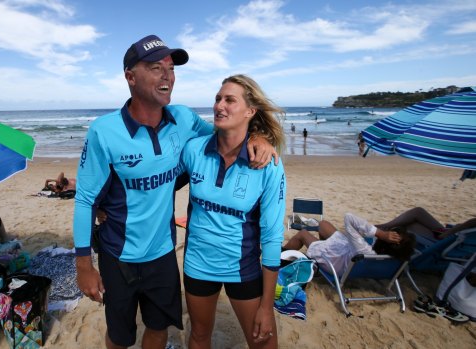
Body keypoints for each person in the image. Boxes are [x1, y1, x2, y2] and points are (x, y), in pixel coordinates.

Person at [72, 35, 277, 349]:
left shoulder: (183, 118)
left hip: (165, 254)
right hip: (118, 255)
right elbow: (86, 200)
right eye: (156, 68)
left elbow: (229, 134)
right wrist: (84, 267)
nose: (167, 75)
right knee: (119, 336)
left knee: (159, 329)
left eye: (170, 68)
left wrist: (260, 138)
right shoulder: (104, 130)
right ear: (130, 76)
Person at [180, 74, 285, 349]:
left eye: (229, 100)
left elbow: (273, 236)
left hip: (243, 269)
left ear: (250, 111)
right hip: (197, 264)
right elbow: (153, 181)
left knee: (264, 342)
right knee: (200, 335)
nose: (219, 106)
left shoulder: (268, 163)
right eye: (217, 99)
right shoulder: (194, 150)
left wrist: (267, 305)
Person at [282, 213, 416, 276]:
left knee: (303, 233)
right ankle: (320, 246)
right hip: (346, 251)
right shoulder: (390, 256)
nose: (387, 232)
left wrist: (381, 233)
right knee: (323, 224)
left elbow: (348, 217)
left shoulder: (364, 249)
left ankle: (281, 257)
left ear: (387, 241)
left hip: (337, 260)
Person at [375, 207, 476, 241]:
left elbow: (443, 237)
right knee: (417, 212)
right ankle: (384, 227)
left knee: (409, 224)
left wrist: (455, 229)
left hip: (446, 239)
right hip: (451, 236)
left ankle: (382, 228)